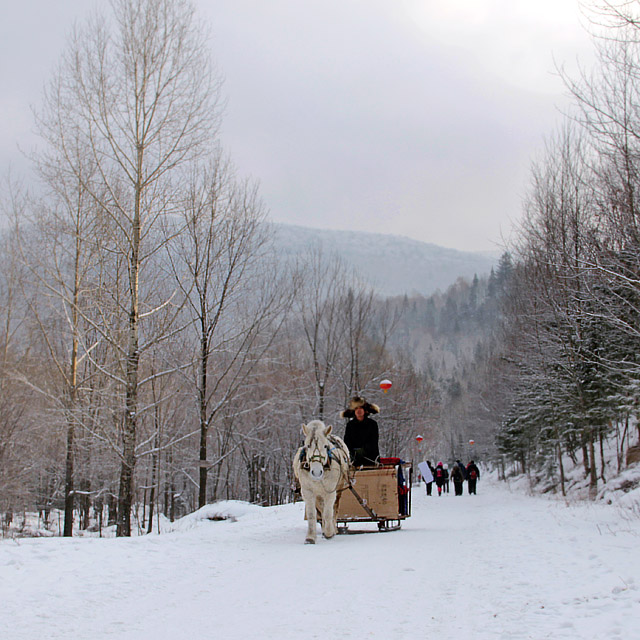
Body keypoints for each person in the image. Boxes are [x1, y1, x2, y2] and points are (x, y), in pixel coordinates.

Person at [341, 396, 380, 467]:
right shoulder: (350, 425)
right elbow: (347, 441)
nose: (358, 411)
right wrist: (352, 453)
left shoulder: (372, 424)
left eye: (361, 408)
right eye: (356, 408)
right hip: (354, 461)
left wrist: (362, 451)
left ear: (365, 410)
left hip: (371, 460)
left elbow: (373, 442)